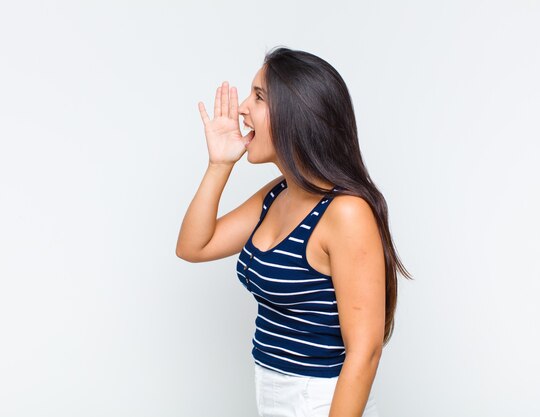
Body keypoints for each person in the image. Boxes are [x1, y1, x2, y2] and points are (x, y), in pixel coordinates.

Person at [176, 46, 412, 417]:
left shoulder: (346, 213)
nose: (242, 109)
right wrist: (219, 165)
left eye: (258, 96)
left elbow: (364, 352)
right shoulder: (277, 194)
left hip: (321, 402)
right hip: (273, 393)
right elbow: (193, 246)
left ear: (295, 115)